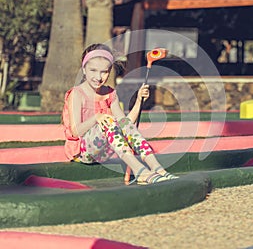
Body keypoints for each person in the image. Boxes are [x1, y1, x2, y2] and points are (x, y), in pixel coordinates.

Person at [63, 43, 178, 185]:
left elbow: (125, 122)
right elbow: (75, 131)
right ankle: (140, 171)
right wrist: (97, 118)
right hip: (83, 152)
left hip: (104, 151)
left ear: (110, 71)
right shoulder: (77, 94)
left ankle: (157, 167)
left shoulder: (110, 93)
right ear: (84, 69)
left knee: (123, 124)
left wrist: (139, 101)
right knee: (109, 121)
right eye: (93, 70)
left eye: (104, 72)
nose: (98, 77)